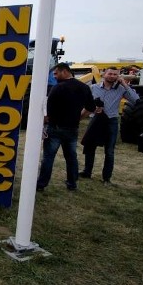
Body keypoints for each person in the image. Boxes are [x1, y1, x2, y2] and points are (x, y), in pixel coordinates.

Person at [36, 63, 96, 191]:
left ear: (64, 72)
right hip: (72, 128)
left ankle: (41, 184)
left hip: (55, 128)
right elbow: (91, 108)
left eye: (56, 73)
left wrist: (44, 124)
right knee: (71, 157)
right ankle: (72, 183)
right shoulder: (84, 87)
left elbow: (48, 111)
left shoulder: (57, 88)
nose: (55, 76)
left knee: (48, 157)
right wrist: (78, 117)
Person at [80, 67, 139, 184]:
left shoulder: (121, 89)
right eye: (110, 74)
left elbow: (135, 100)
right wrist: (93, 108)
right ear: (104, 75)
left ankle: (106, 178)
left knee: (109, 150)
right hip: (96, 120)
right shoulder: (93, 88)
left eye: (115, 75)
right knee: (90, 146)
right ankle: (87, 172)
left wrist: (124, 83)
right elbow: (85, 103)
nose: (112, 76)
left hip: (111, 121)